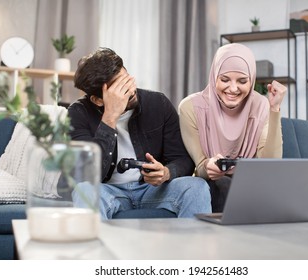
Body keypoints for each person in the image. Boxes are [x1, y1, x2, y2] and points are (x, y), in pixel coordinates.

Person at [68, 47, 211, 220]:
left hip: (152, 190)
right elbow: (86, 174)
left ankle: (195, 247)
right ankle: (92, 247)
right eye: (120, 89)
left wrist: (166, 172)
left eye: (127, 79)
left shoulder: (158, 103)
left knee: (196, 187)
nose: (131, 90)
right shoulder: (78, 113)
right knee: (85, 191)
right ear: (97, 100)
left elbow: (183, 159)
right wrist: (110, 117)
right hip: (107, 191)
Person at [178, 43, 287, 212]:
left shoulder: (261, 105)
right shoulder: (190, 107)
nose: (233, 88)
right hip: (211, 185)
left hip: (251, 183)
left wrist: (274, 109)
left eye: (242, 81)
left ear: (251, 80)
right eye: (224, 79)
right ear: (214, 77)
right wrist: (209, 166)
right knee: (222, 184)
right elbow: (199, 167)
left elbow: (271, 163)